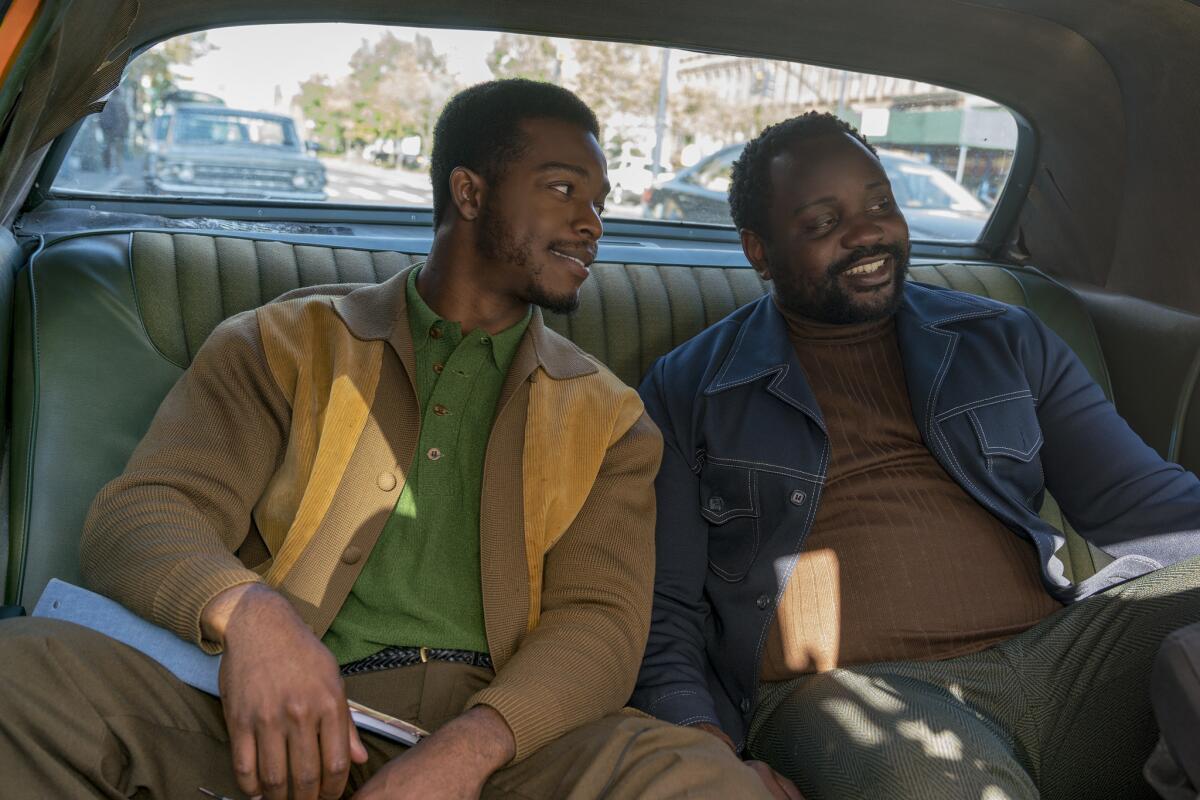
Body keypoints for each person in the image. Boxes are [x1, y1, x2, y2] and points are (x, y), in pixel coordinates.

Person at [0, 79, 773, 800]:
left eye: (599, 201)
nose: (592, 223)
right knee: (20, 675)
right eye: (564, 189)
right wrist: (253, 621)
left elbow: (599, 624)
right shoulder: (284, 343)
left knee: (707, 782)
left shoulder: (608, 419)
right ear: (468, 193)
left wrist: (471, 747)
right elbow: (144, 511)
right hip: (268, 712)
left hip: (507, 744)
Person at [631, 111, 1200, 800]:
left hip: (1063, 663)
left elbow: (1149, 507)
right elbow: (665, 610)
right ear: (759, 250)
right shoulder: (692, 388)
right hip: (853, 699)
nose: (866, 231)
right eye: (822, 222)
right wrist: (702, 747)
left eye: (879, 203)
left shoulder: (1002, 339)